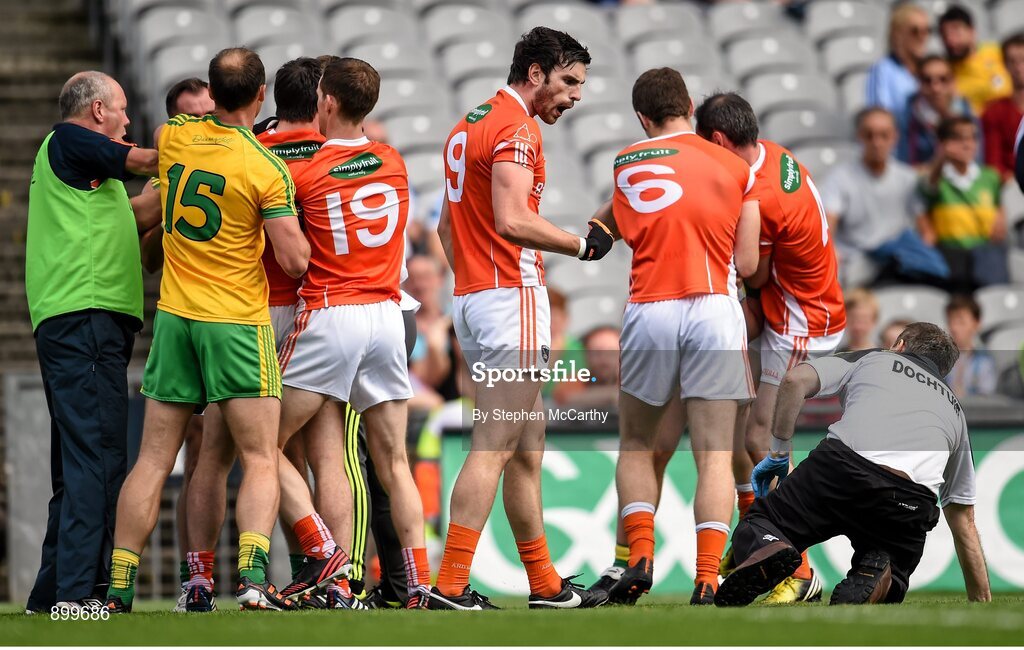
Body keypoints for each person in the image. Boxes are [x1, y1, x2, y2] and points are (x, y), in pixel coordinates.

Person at [102, 47, 311, 614]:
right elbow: (293, 261)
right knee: (260, 456)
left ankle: (118, 590)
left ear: (212, 94)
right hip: (236, 324)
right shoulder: (265, 167)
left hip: (174, 318)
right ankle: (251, 579)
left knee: (151, 460)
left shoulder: (175, 137)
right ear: (261, 94)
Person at [429, 26, 612, 610]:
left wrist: (472, 290)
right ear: (535, 73)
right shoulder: (515, 127)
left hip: (476, 298)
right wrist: (578, 245)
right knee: (495, 443)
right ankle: (451, 584)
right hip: (511, 296)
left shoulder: (469, 123)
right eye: (568, 81)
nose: (574, 95)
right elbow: (511, 219)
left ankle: (544, 584)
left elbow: (443, 228)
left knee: (525, 443)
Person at [593, 68, 759, 606]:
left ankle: (638, 556)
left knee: (638, 445)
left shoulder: (624, 164)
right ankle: (708, 577)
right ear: (689, 104)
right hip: (713, 305)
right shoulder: (734, 165)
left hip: (650, 308)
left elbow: (604, 229)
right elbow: (749, 261)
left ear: (642, 119)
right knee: (714, 454)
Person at [279, 56, 434, 610]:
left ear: (327, 102)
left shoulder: (304, 171)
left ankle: (326, 555)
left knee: (259, 442)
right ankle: (418, 584)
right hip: (389, 318)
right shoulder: (393, 161)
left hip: (331, 314)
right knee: (395, 463)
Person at [715, 323, 991, 606]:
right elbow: (963, 520)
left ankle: (771, 544)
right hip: (909, 501)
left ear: (899, 345)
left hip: (842, 469)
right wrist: (981, 599)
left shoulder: (873, 357)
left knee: (762, 522)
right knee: (895, 568)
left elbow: (794, 382)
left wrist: (778, 453)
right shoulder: (955, 411)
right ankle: (881, 576)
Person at [694, 92, 846, 604]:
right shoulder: (773, 155)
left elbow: (749, 270)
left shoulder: (759, 194)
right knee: (738, 426)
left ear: (718, 140)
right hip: (793, 308)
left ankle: (799, 568)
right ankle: (755, 540)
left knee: (762, 439)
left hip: (803, 322)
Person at [24, 71, 158, 614]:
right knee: (99, 457)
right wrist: (206, 146)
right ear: (97, 110)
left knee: (75, 459)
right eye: (122, 110)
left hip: (72, 316)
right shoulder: (72, 138)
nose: (128, 121)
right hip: (86, 316)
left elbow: (138, 208)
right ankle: (80, 594)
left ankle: (51, 592)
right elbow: (147, 162)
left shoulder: (76, 168)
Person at [148, 76, 215, 614]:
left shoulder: (233, 155)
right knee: (193, 450)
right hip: (185, 318)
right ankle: (196, 574)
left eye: (207, 114)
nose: (201, 125)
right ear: (174, 122)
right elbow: (147, 255)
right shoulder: (168, 171)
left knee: (273, 453)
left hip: (238, 318)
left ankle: (301, 576)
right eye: (190, 118)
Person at [821, 108, 930, 287]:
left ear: (895, 136)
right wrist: (833, 252)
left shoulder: (907, 177)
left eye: (884, 135)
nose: (877, 142)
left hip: (900, 262)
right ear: (859, 136)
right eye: (869, 135)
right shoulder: (840, 177)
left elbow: (926, 230)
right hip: (857, 263)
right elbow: (827, 227)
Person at [921, 116, 1007, 293]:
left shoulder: (990, 177)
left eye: (973, 137)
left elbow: (999, 211)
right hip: (949, 256)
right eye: (958, 138)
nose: (967, 144)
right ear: (943, 143)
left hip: (986, 256)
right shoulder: (936, 177)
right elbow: (928, 187)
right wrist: (941, 158)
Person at [903, 55, 979, 166]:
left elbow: (978, 163)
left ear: (953, 82)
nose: (936, 88)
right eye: (927, 80)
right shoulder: (906, 118)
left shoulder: (969, 115)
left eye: (943, 79)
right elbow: (904, 167)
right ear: (918, 83)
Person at [866, 3, 931, 127]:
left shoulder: (930, 73)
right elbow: (882, 118)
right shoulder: (883, 70)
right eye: (915, 31)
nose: (922, 37)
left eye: (927, 30)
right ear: (898, 34)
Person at [938, 5, 1011, 116]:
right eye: (945, 34)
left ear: (972, 31)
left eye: (956, 32)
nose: (950, 40)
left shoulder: (997, 53)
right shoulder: (943, 71)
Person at [982, 33, 1024, 183]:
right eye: (1012, 61)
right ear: (1005, 65)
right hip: (1012, 187)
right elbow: (993, 164)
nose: (1019, 67)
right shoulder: (994, 111)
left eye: (1023, 60)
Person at [945, 294, 997, 397]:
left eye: (961, 322)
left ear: (976, 324)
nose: (954, 328)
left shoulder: (984, 360)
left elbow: (986, 397)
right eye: (951, 321)